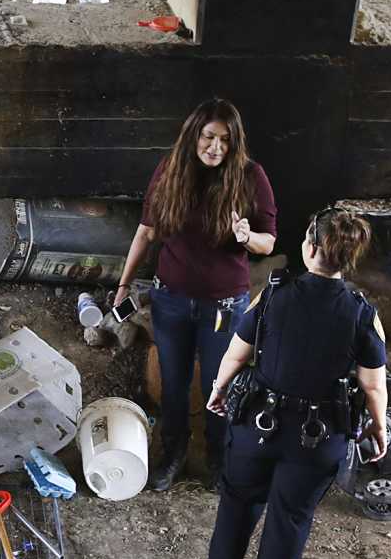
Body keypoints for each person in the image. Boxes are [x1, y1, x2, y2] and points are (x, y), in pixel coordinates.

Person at [200, 210, 390, 559]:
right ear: (349, 258)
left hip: (257, 424)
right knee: (288, 518)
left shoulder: (273, 294)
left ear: (309, 248)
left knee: (238, 501)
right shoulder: (361, 313)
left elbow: (237, 352)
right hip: (317, 439)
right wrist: (378, 427)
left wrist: (218, 389)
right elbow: (373, 386)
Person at [113, 99, 276, 490]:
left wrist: (247, 237)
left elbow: (268, 243)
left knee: (219, 386)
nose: (215, 147)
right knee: (174, 383)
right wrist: (122, 286)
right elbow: (146, 231)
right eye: (208, 137)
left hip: (224, 305)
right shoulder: (170, 170)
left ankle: (218, 461)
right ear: (194, 136)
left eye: (225, 140)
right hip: (170, 300)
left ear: (235, 143)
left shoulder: (252, 177)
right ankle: (173, 455)